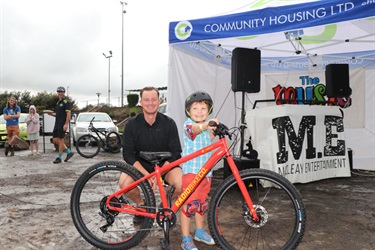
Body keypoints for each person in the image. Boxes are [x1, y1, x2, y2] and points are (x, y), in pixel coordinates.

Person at [119, 86, 182, 226]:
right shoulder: (131, 124)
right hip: (141, 166)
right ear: (141, 102)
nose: (150, 103)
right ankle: (142, 206)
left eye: (154, 99)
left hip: (165, 166)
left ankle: (164, 205)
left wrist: (158, 174)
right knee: (124, 184)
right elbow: (128, 154)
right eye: (146, 100)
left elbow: (176, 153)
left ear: (159, 101)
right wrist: (147, 175)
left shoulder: (169, 123)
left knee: (181, 184)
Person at [180, 91, 218, 250]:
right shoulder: (189, 125)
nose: (199, 111)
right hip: (192, 174)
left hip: (205, 174)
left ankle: (200, 232)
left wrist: (214, 132)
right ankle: (186, 238)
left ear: (208, 110)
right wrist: (205, 125)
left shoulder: (204, 130)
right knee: (189, 206)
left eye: (203, 108)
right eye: (195, 108)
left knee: (201, 205)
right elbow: (195, 130)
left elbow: (206, 141)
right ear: (189, 111)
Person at [48, 86, 74, 164]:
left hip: (62, 123)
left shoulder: (66, 102)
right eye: (59, 92)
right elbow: (58, 114)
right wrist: (51, 114)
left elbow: (68, 114)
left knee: (61, 139)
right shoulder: (58, 103)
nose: (60, 93)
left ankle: (59, 157)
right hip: (57, 123)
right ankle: (68, 151)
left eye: (61, 92)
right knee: (55, 139)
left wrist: (66, 124)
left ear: (64, 93)